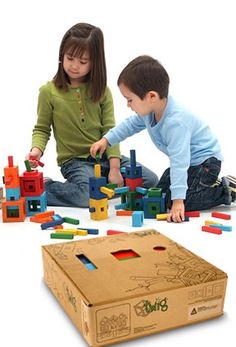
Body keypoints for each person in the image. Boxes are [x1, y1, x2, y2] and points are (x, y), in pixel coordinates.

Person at [26, 24, 158, 208]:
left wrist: (114, 168)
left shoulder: (103, 91)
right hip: (75, 162)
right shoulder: (48, 92)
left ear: (95, 62)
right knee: (86, 196)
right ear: (61, 55)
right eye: (69, 58)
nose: (74, 66)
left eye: (83, 61)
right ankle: (47, 187)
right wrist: (36, 151)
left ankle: (100, 187)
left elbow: (111, 131)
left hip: (106, 158)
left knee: (151, 181)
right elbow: (42, 129)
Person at [90, 55, 235, 222]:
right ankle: (202, 187)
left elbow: (179, 161)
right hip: (190, 164)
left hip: (205, 163)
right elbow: (129, 126)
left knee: (176, 201)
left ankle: (226, 191)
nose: (128, 105)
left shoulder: (176, 123)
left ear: (152, 96)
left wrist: (179, 202)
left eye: (130, 100)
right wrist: (106, 140)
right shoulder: (149, 112)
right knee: (158, 195)